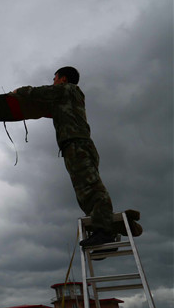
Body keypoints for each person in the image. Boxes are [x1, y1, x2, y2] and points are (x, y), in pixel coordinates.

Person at [11, 67, 117, 248]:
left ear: (63, 79)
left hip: (77, 145)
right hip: (77, 145)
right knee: (85, 190)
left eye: (55, 79)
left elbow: (39, 92)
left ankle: (105, 231)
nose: (53, 82)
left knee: (91, 188)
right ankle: (102, 232)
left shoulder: (67, 89)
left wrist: (17, 92)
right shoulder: (68, 98)